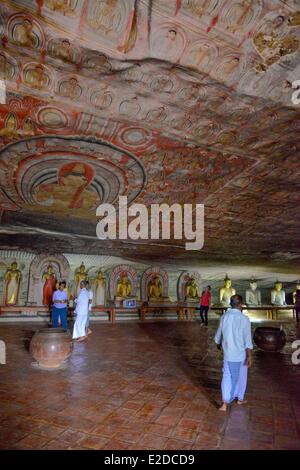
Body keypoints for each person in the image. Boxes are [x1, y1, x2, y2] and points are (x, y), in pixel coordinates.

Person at [214, 294, 253, 412]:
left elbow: (218, 337)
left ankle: (224, 404)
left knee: (227, 377)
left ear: (231, 304)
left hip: (228, 354)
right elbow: (247, 340)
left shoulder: (224, 317)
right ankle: (240, 398)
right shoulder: (244, 319)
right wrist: (250, 356)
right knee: (241, 377)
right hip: (240, 355)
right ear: (241, 305)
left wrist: (219, 344)